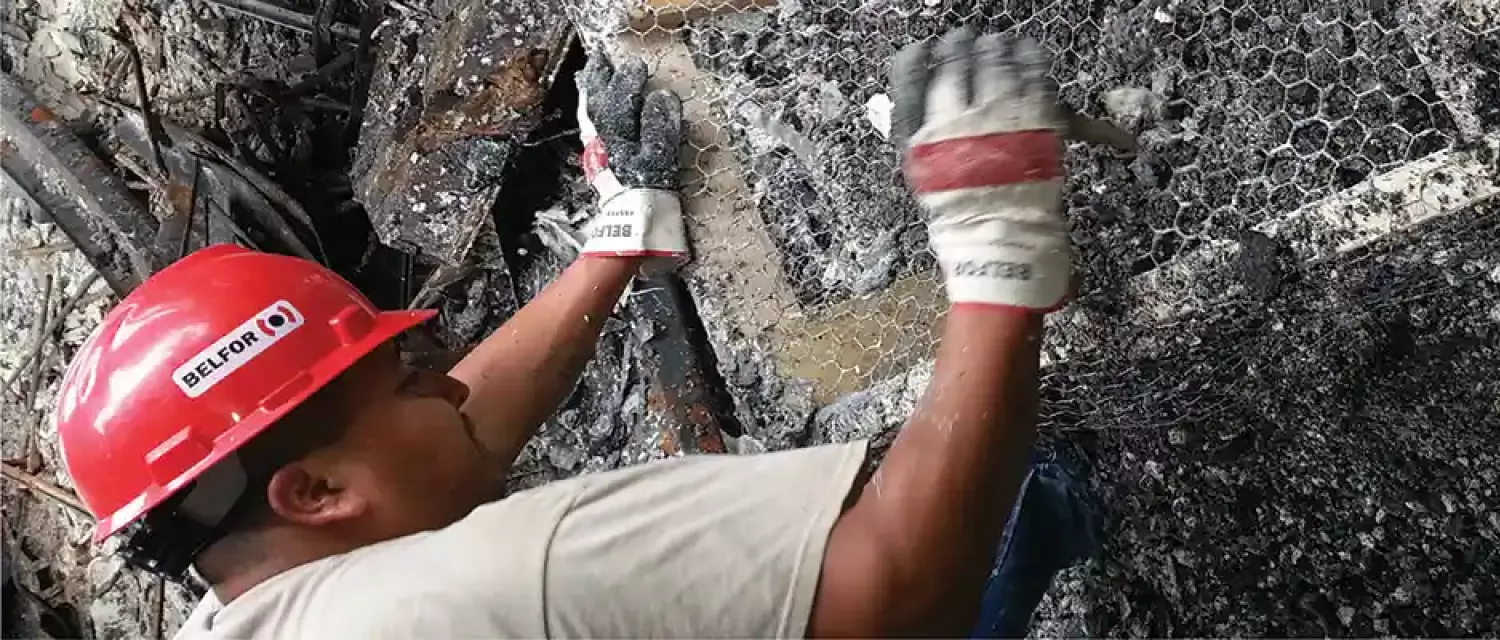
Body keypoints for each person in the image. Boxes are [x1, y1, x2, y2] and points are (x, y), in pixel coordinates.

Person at [53, 28, 1096, 638]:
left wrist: (622, 236)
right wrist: (994, 236)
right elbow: (901, 588)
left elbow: (438, 447)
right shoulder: (498, 586)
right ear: (315, 491)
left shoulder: (262, 594)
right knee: (991, 507)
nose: (454, 383)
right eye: (414, 374)